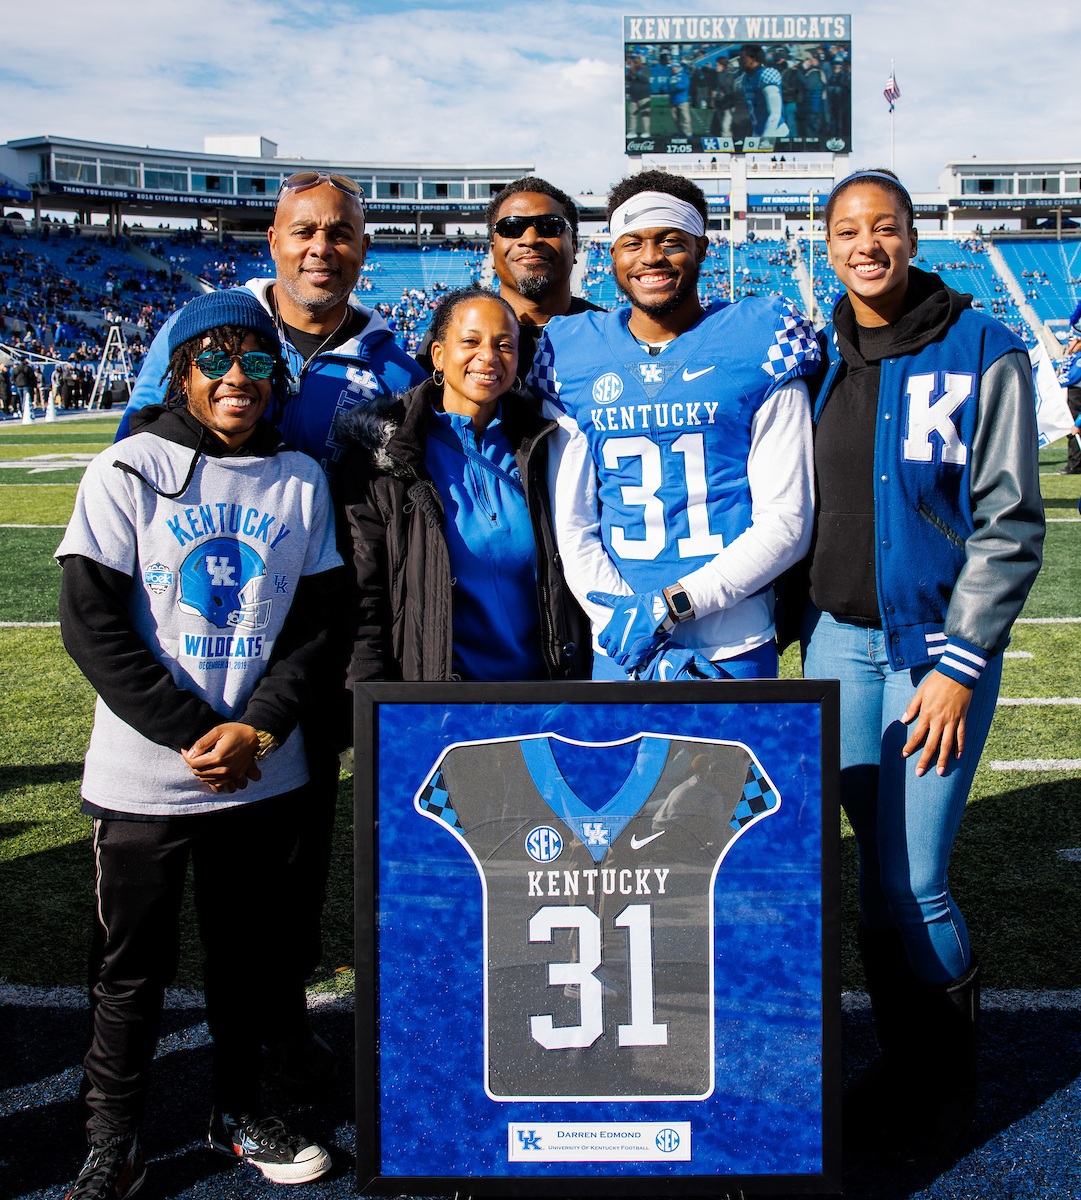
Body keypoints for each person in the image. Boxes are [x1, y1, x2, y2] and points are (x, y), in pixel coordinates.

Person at [114, 172, 428, 1082]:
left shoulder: (392, 357)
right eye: (303, 231)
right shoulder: (204, 326)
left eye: (339, 233)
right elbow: (141, 454)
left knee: (287, 869)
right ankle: (220, 1071)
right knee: (182, 885)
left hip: (319, 630)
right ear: (273, 242)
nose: (321, 248)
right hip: (205, 629)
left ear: (363, 250)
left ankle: (273, 1050)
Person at [57, 289, 345, 1194]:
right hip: (146, 776)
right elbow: (91, 626)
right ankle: (114, 1137)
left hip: (261, 773)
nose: (236, 379)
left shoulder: (300, 476)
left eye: (256, 362)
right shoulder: (126, 470)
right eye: (215, 361)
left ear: (277, 378)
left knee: (248, 969)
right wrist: (194, 733)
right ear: (180, 372)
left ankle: (237, 1108)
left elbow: (317, 623)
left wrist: (256, 727)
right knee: (129, 973)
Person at [796, 168, 1044, 1158]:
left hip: (929, 653)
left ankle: (945, 1088)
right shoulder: (812, 352)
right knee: (868, 878)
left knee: (916, 883)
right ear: (825, 245)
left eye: (885, 227)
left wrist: (957, 663)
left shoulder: (982, 345)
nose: (868, 244)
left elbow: (1010, 524)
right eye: (848, 230)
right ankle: (900, 1068)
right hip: (834, 644)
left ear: (912, 234)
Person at [528, 170, 818, 683]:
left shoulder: (761, 339)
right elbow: (573, 526)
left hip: (733, 640)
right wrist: (621, 616)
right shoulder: (570, 351)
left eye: (671, 241)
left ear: (703, 249)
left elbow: (787, 521)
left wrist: (671, 606)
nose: (652, 257)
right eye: (633, 243)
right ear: (612, 254)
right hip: (621, 643)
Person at [335, 287, 589, 683]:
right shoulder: (384, 458)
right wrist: (373, 715)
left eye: (504, 345)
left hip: (544, 698)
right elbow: (363, 604)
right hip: (441, 710)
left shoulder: (549, 447)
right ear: (438, 355)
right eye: (470, 341)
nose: (488, 357)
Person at [417, 177, 604, 377]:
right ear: (493, 251)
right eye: (511, 228)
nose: (530, 239)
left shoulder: (610, 335)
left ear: (575, 247)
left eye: (550, 226)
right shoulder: (451, 334)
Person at [740, 43, 789, 139]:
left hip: (775, 133)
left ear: (753, 59)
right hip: (758, 132)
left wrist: (764, 141)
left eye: (743, 58)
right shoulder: (746, 78)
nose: (740, 61)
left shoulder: (766, 74)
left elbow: (775, 114)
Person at [665, 60, 693, 137]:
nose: (673, 69)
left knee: (685, 118)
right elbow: (668, 86)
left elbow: (685, 85)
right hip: (673, 99)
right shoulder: (670, 76)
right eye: (672, 67)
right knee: (676, 118)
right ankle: (679, 132)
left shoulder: (684, 75)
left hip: (682, 100)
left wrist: (676, 85)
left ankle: (688, 133)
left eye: (675, 67)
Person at [626, 57, 653, 136]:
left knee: (645, 115)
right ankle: (632, 131)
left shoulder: (646, 70)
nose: (635, 64)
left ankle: (646, 131)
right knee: (632, 114)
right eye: (634, 62)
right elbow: (628, 79)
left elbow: (644, 79)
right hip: (633, 97)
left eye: (637, 62)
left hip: (644, 96)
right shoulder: (631, 70)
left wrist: (635, 73)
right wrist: (630, 73)